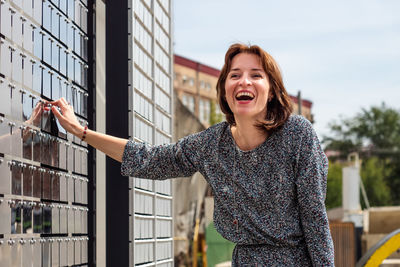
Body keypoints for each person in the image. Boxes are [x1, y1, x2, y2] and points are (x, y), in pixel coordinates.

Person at [51, 43, 335, 266]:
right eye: (234, 75)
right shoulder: (212, 145)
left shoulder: (297, 134)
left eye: (256, 75)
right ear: (225, 90)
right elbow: (149, 159)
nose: (244, 81)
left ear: (271, 91)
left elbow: (315, 219)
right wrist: (81, 132)